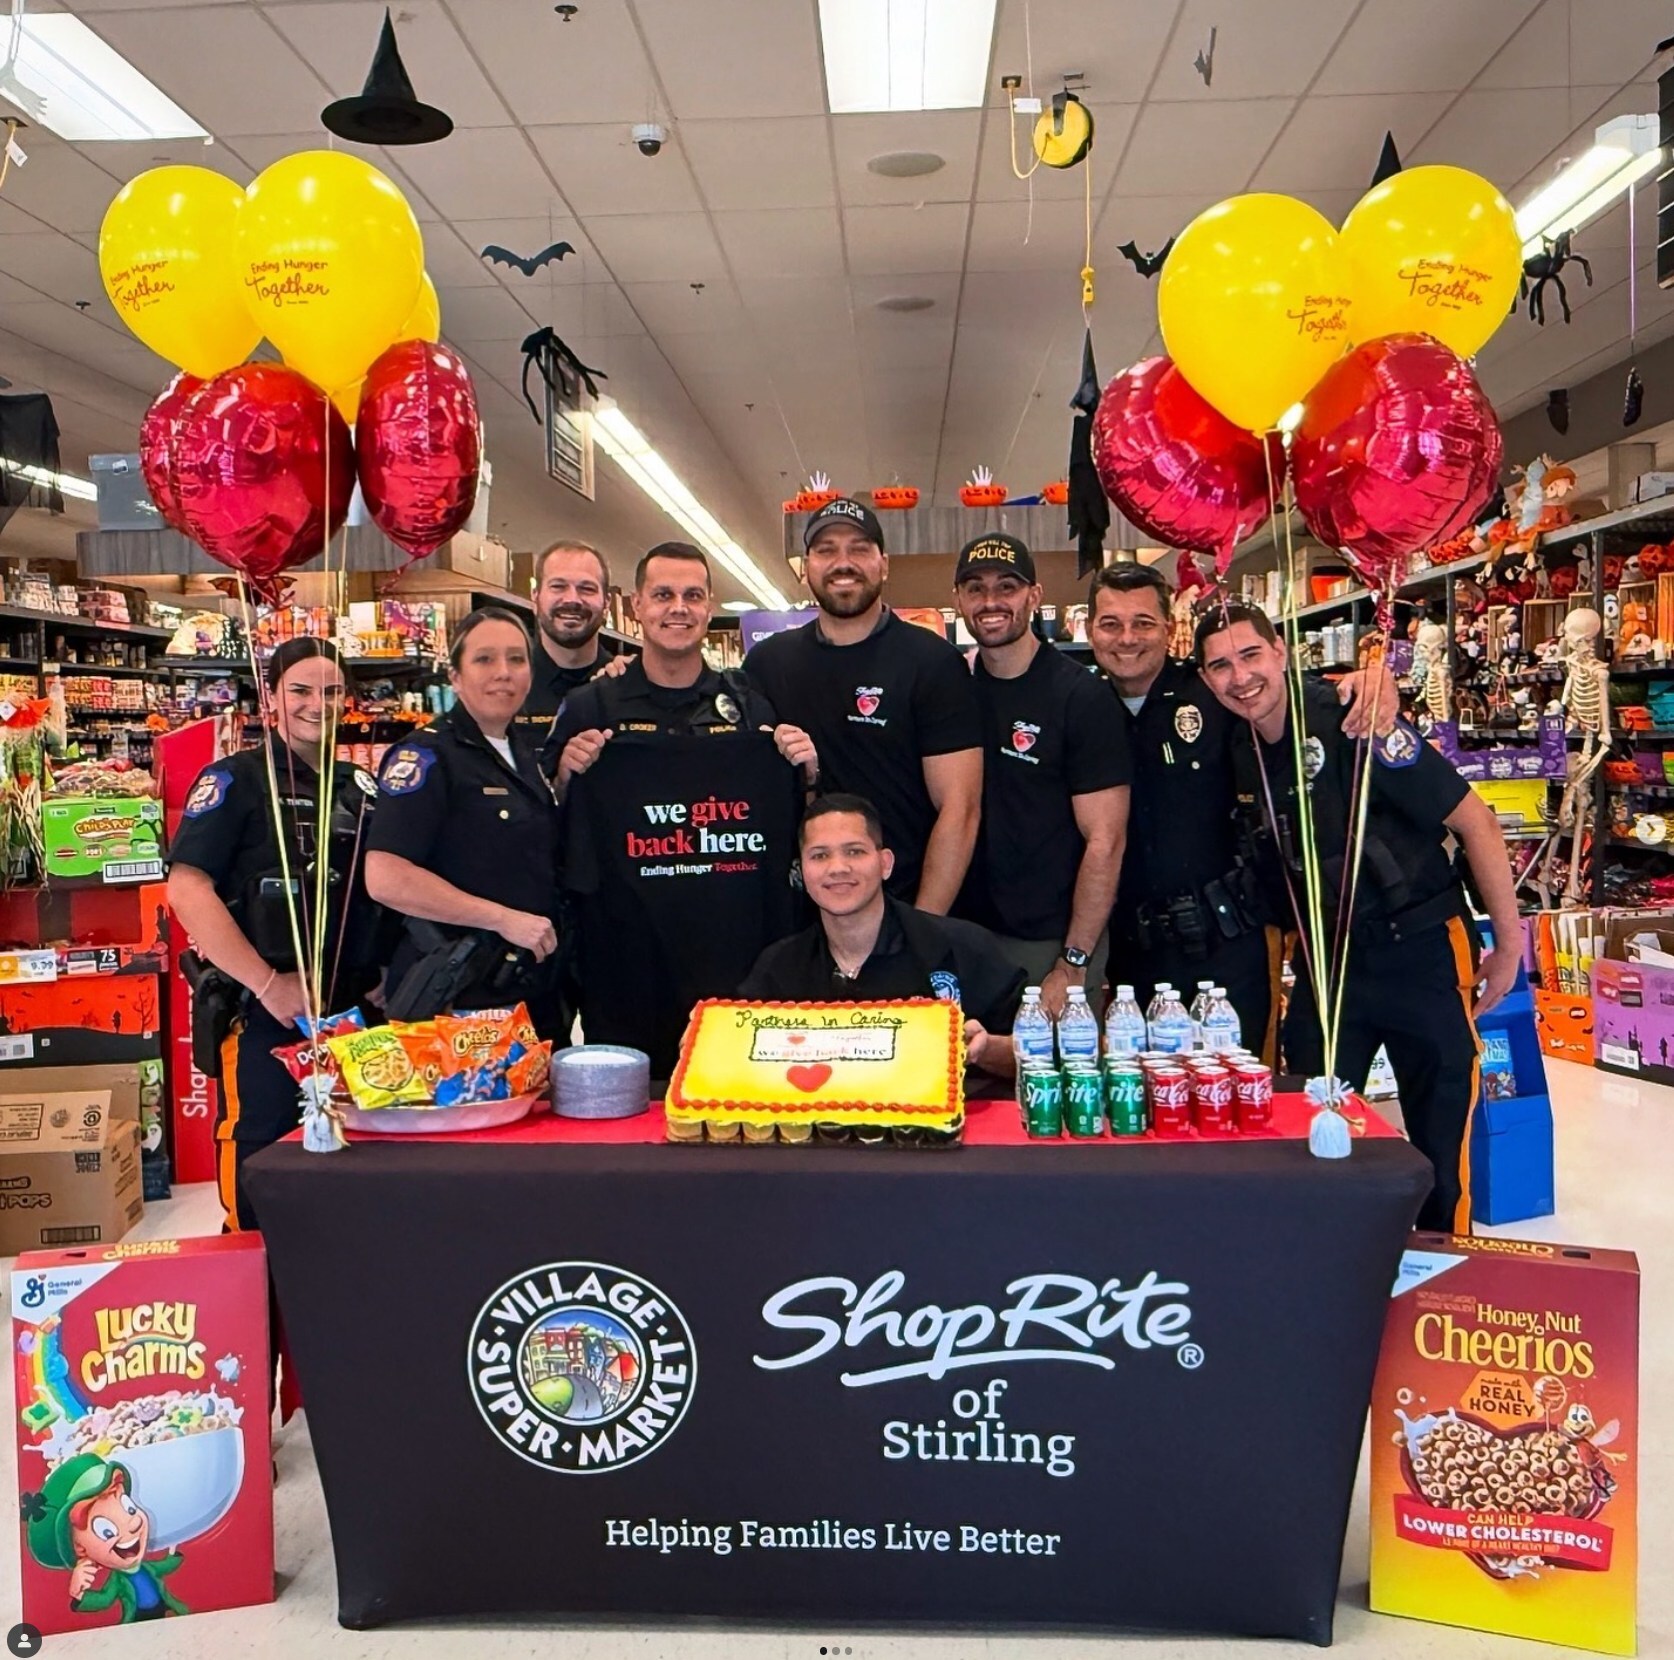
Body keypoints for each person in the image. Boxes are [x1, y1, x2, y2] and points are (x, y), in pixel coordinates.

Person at [1195, 604, 1521, 1234]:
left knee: (1438, 1128)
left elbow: (1474, 820)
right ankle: (1333, 1263)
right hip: (1328, 964)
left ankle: (1440, 1267)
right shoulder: (1237, 749)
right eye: (1221, 666)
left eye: (1251, 656)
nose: (1240, 677)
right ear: (1207, 681)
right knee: (1309, 1123)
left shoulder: (1355, 719)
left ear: (1282, 653)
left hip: (1420, 948)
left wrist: (1507, 944)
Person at [1089, 562, 1396, 1063]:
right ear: (1090, 629)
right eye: (1111, 623)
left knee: (1241, 1102)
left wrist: (1372, 680)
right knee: (1144, 1113)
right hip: (1131, 956)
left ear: (1170, 628)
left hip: (1227, 944)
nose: (1127, 638)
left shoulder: (1212, 691)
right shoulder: (1081, 706)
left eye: (1143, 622)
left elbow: (1284, 691)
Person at [549, 542, 815, 1076]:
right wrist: (565, 775)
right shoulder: (591, 707)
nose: (679, 608)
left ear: (709, 604)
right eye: (663, 595)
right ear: (637, 605)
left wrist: (803, 773)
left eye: (693, 596)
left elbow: (790, 822)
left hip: (737, 973)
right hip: (628, 971)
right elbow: (553, 828)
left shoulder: (747, 706)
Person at [167, 638, 381, 1233]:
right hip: (267, 1012)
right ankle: (256, 1294)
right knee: (263, 1159)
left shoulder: (361, 788)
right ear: (271, 700)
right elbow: (187, 891)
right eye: (302, 691)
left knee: (361, 1158)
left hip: (357, 1009)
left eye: (333, 692)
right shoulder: (233, 782)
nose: (319, 704)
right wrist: (267, 985)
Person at [744, 497, 982, 911]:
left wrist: (922, 928)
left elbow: (960, 810)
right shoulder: (767, 664)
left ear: (884, 564)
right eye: (826, 550)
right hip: (798, 919)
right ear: (805, 568)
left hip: (905, 905)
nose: (843, 562)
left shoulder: (933, 662)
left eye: (859, 548)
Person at [950, 531, 1129, 1019]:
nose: (991, 601)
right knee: (966, 1088)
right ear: (959, 600)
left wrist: (1072, 963)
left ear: (1034, 595)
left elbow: (1106, 840)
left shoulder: (1080, 698)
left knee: (1056, 1088)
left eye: (1007, 586)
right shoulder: (951, 690)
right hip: (966, 940)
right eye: (975, 588)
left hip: (1048, 945)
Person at [364, 607, 564, 1033]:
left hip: (525, 986)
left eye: (516, 659)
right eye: (484, 659)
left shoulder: (524, 753)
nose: (503, 673)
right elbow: (385, 875)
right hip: (457, 994)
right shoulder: (426, 756)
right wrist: (502, 919)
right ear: (454, 676)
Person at [741, 794, 1024, 1081]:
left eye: (854, 851)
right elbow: (740, 1061)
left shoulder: (962, 947)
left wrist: (987, 1050)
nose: (838, 867)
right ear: (801, 871)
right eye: (820, 855)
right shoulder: (778, 967)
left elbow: (1041, 1055)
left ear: (885, 863)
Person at [514, 538, 621, 738]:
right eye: (558, 586)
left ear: (607, 604)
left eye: (587, 588)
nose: (572, 599)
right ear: (535, 597)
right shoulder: (506, 685)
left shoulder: (626, 686)